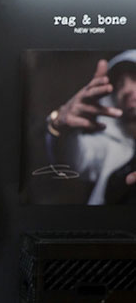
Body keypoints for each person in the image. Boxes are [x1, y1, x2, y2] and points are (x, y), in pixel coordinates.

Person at [46, 50, 136, 205]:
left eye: (135, 78)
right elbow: (71, 161)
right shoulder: (111, 146)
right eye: (120, 85)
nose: (126, 90)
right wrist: (60, 126)